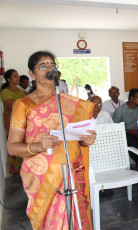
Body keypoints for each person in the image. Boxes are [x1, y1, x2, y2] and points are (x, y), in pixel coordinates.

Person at [6, 51, 96, 229]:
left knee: (76, 219)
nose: (49, 69)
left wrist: (87, 139)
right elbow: (12, 147)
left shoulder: (70, 103)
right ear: (31, 73)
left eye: (52, 65)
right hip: (43, 179)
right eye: (43, 66)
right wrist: (39, 145)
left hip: (71, 173)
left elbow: (78, 140)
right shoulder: (23, 105)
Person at [113, 88, 138, 169]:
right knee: (132, 142)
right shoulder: (120, 110)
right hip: (126, 133)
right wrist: (131, 132)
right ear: (131, 98)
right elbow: (115, 128)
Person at [0, 69, 26, 174]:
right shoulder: (5, 92)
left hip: (23, 119)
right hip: (11, 121)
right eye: (15, 76)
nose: (18, 77)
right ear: (8, 79)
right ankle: (16, 169)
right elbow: (13, 106)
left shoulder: (21, 91)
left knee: (24, 140)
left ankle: (24, 167)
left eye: (18, 75)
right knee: (15, 141)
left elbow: (32, 101)